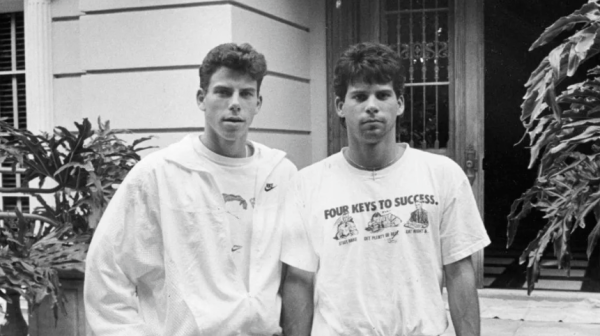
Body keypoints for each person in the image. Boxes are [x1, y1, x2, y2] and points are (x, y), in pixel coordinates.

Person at [84, 43, 297, 335]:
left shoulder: (281, 174)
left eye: (246, 93)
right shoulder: (160, 173)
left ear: (258, 103)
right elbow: (106, 273)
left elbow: (297, 273)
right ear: (201, 98)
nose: (235, 103)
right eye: (223, 92)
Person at [280, 42, 490, 336]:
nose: (372, 106)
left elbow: (459, 272)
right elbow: (298, 281)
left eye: (382, 95)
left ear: (400, 103)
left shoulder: (441, 175)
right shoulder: (308, 184)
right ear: (340, 106)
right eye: (359, 96)